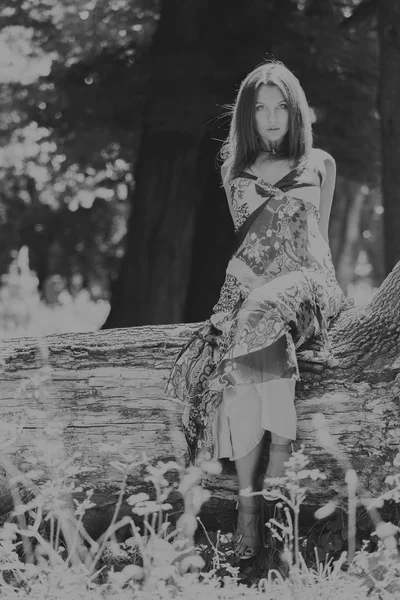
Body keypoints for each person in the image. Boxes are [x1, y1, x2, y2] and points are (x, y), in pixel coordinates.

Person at [165, 60, 346, 561]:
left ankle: (277, 486)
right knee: (238, 360)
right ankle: (251, 513)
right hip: (254, 291)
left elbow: (320, 242)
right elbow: (252, 249)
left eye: (281, 108)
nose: (271, 119)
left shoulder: (321, 164)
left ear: (296, 112)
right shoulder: (236, 174)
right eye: (261, 109)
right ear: (248, 116)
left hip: (309, 285)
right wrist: (235, 306)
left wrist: (328, 300)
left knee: (262, 313)